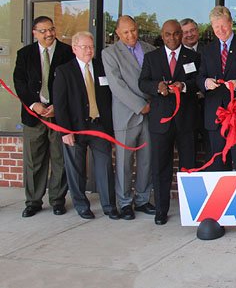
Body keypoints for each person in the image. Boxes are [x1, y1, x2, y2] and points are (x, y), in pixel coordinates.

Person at [139, 20, 200, 225]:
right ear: (162, 35)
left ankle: (191, 210)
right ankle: (161, 210)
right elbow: (142, 83)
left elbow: (198, 82)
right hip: (161, 122)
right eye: (168, 34)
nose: (172, 38)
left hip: (186, 122)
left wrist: (183, 86)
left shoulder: (193, 57)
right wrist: (157, 86)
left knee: (188, 167)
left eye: (176, 34)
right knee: (160, 167)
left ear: (181, 35)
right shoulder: (151, 58)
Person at [52, 31, 119, 220]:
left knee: (105, 166)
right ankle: (81, 205)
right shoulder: (64, 71)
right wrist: (65, 131)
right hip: (75, 128)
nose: (89, 50)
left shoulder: (101, 67)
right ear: (74, 49)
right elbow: (60, 104)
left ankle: (108, 205)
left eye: (91, 46)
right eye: (84, 47)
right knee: (76, 169)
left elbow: (108, 99)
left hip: (99, 127)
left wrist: (110, 129)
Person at [13, 16, 74, 218]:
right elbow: (19, 83)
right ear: (34, 33)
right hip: (33, 116)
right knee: (34, 161)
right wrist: (34, 105)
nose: (49, 34)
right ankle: (33, 202)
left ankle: (57, 200)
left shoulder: (67, 52)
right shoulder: (25, 54)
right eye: (43, 31)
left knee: (59, 160)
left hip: (58, 116)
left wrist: (59, 105)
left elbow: (73, 82)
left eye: (51, 29)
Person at [101, 15, 156, 220]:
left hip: (151, 114)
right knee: (124, 162)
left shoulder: (150, 49)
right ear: (117, 33)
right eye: (126, 32)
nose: (131, 35)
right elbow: (117, 86)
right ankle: (124, 203)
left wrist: (152, 105)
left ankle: (142, 200)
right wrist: (140, 106)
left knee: (146, 161)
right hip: (126, 115)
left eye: (133, 30)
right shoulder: (109, 53)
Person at [197, 5, 236, 171]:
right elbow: (199, 76)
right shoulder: (207, 50)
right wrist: (206, 83)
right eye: (216, 26)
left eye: (223, 25)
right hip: (215, 115)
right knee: (217, 165)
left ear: (231, 23)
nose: (220, 30)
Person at [180, 18, 209, 160]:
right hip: (186, 107)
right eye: (185, 32)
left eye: (192, 30)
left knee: (211, 147)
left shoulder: (209, 50)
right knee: (188, 151)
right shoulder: (176, 53)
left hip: (207, 105)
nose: (189, 34)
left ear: (198, 31)